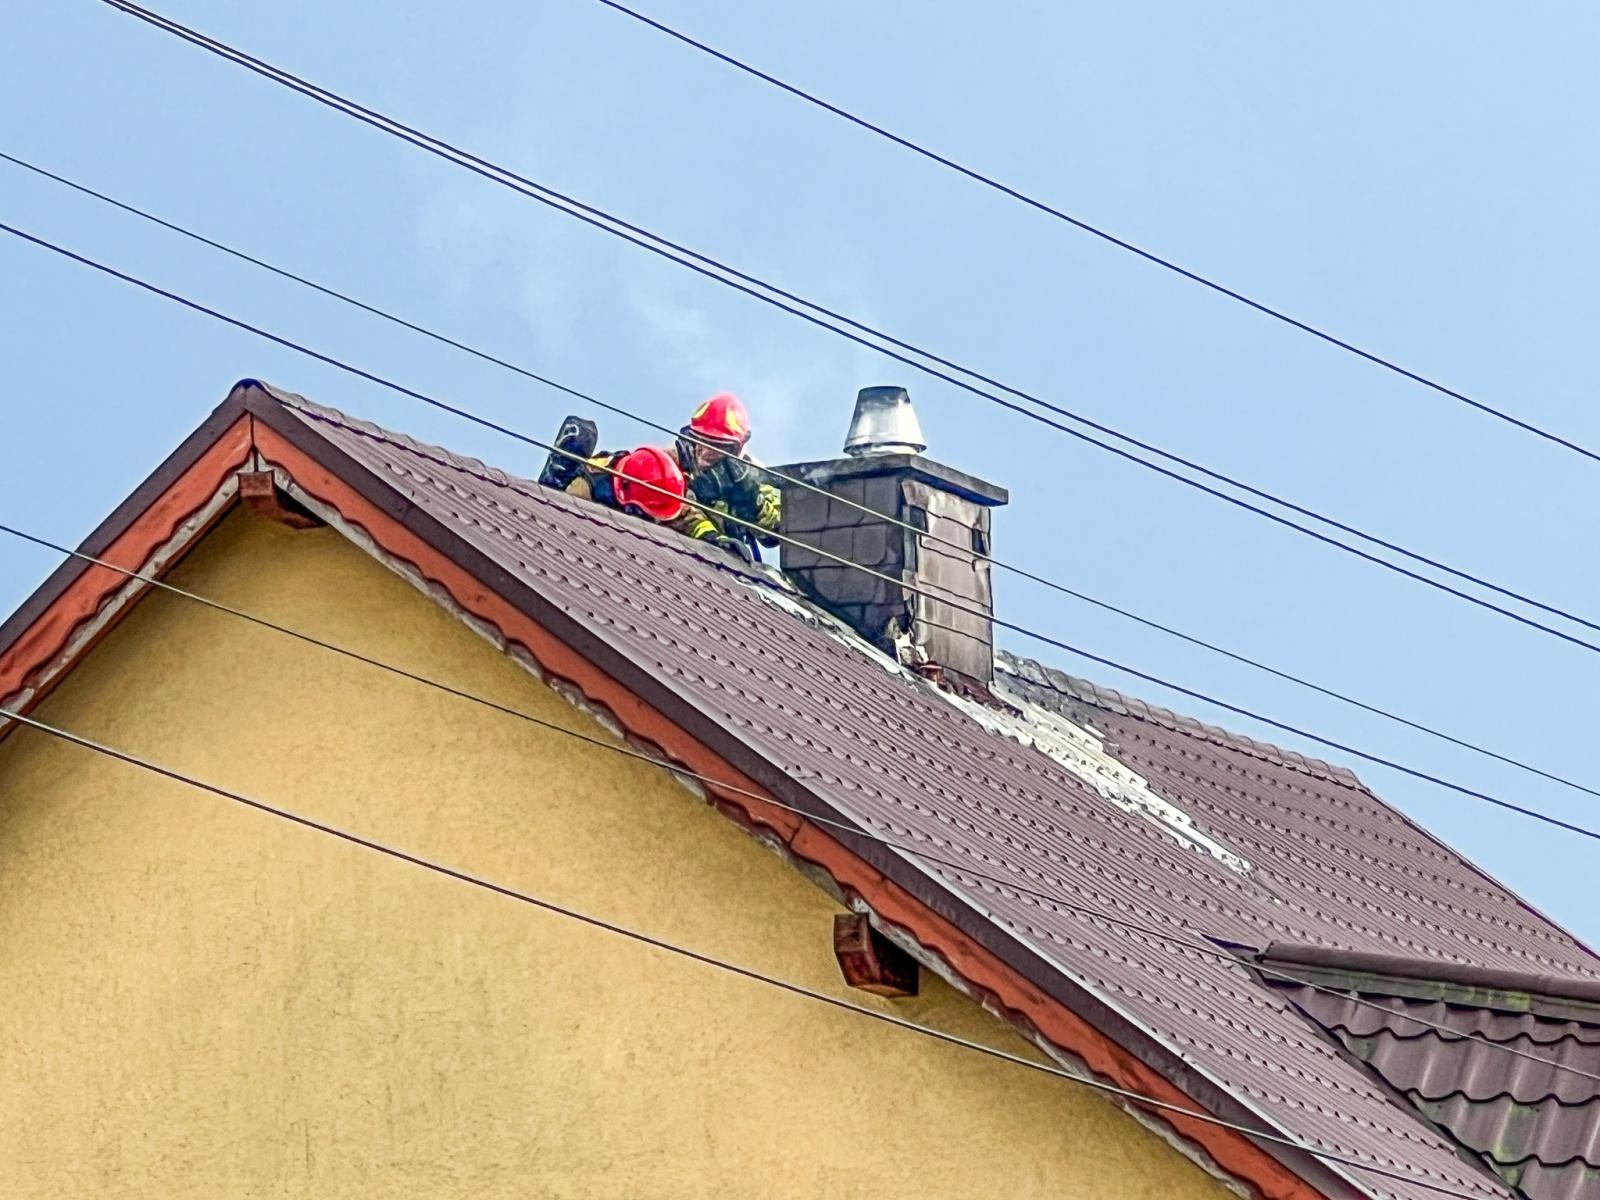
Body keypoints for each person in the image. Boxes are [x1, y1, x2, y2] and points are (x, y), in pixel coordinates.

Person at [673, 393, 781, 559]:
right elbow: (668, 503)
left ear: (736, 447)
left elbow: (776, 530)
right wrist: (710, 535)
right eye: (699, 440)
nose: (703, 451)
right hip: (679, 549)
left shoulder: (753, 475)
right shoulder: (674, 462)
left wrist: (751, 498)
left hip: (728, 561)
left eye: (714, 444)